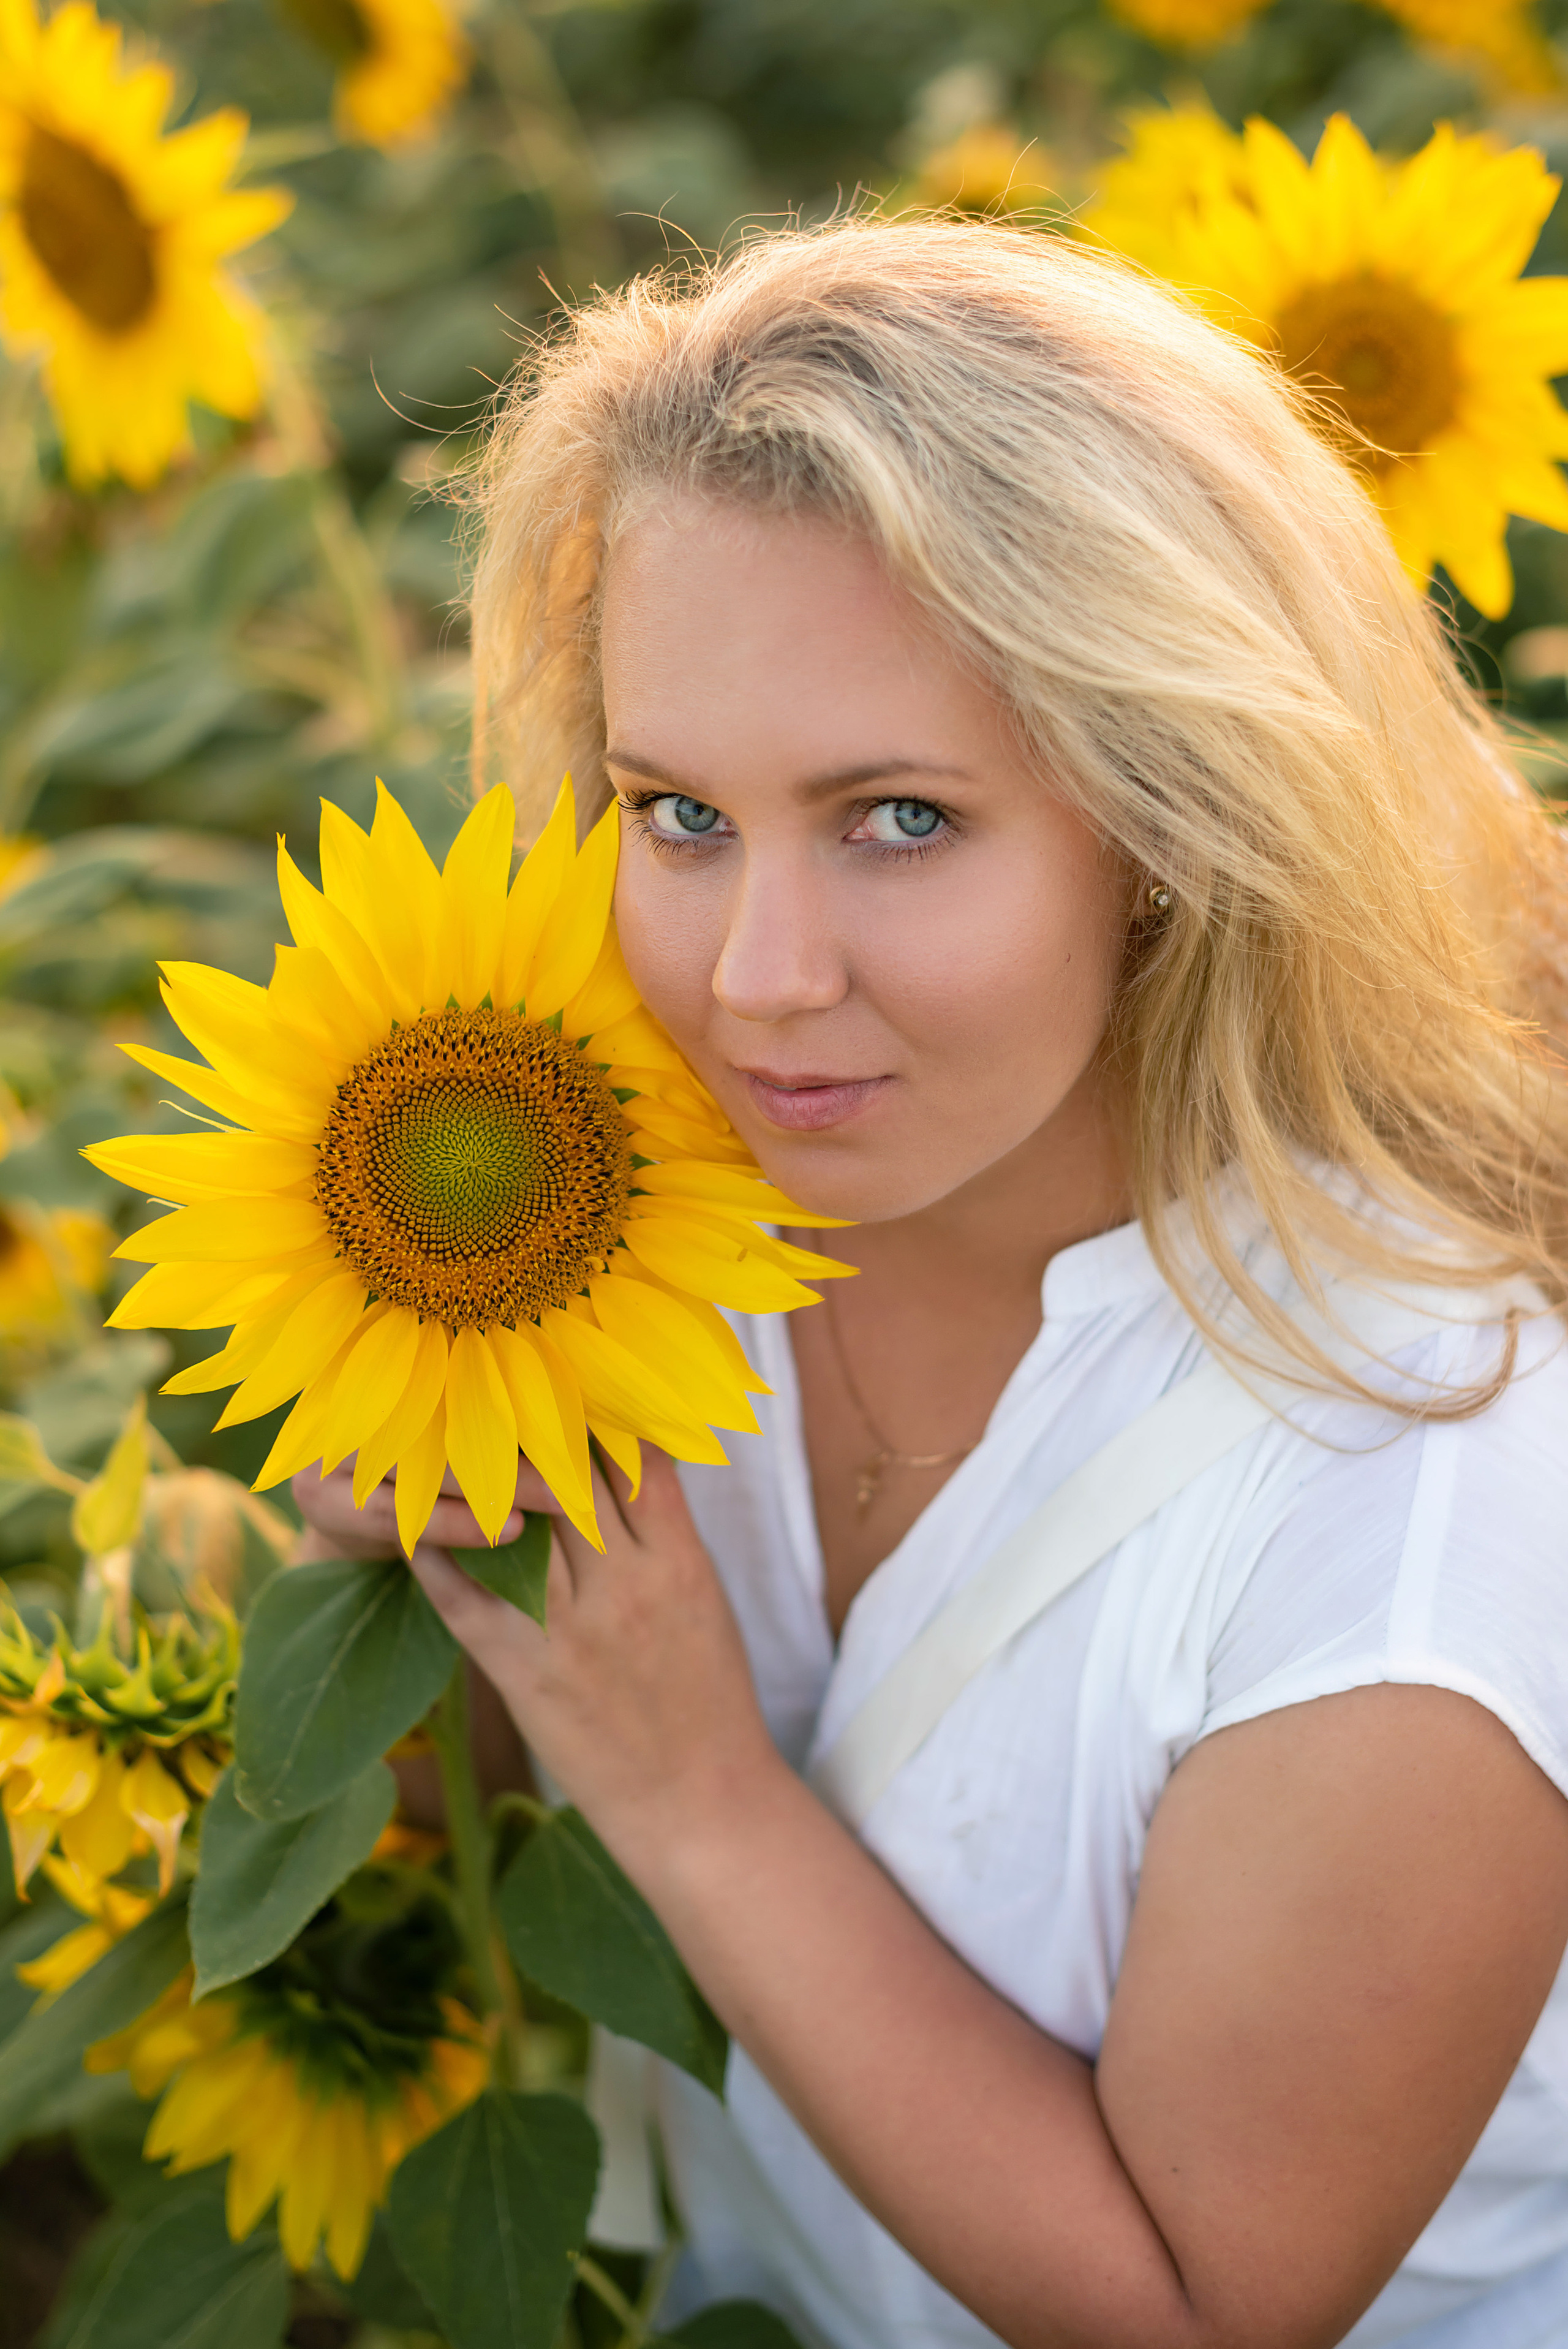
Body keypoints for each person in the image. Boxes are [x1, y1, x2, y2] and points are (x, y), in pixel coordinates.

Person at [294, 218, 1568, 2349]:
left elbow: (1202, 2307)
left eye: (898, 818)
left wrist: (690, 1783)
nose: (754, 981)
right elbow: (478, 1797)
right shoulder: (624, 1203)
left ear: (1175, 810)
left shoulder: (1419, 1496)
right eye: (678, 809)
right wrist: (416, 1577)